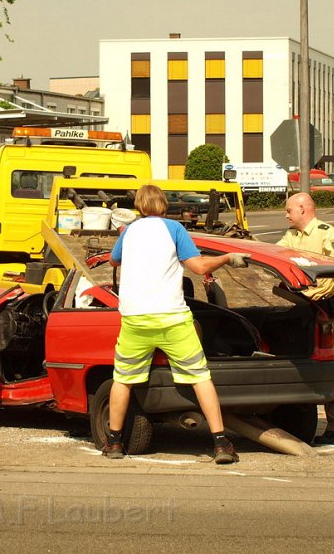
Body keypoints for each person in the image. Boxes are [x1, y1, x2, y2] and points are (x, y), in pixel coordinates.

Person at [104, 184, 250, 464]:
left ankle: (113, 443)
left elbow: (113, 260)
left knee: (123, 379)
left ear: (139, 206)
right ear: (163, 204)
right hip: (172, 318)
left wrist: (124, 244)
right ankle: (220, 443)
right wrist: (228, 258)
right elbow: (199, 267)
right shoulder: (174, 229)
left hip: (135, 319)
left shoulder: (130, 231)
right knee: (199, 377)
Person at [276, 192, 334, 444]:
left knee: (321, 359)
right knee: (307, 358)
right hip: (302, 305)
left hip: (322, 305)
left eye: (289, 210)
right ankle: (307, 414)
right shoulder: (292, 236)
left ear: (302, 209)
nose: (286, 214)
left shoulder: (326, 234)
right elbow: (275, 254)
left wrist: (309, 295)